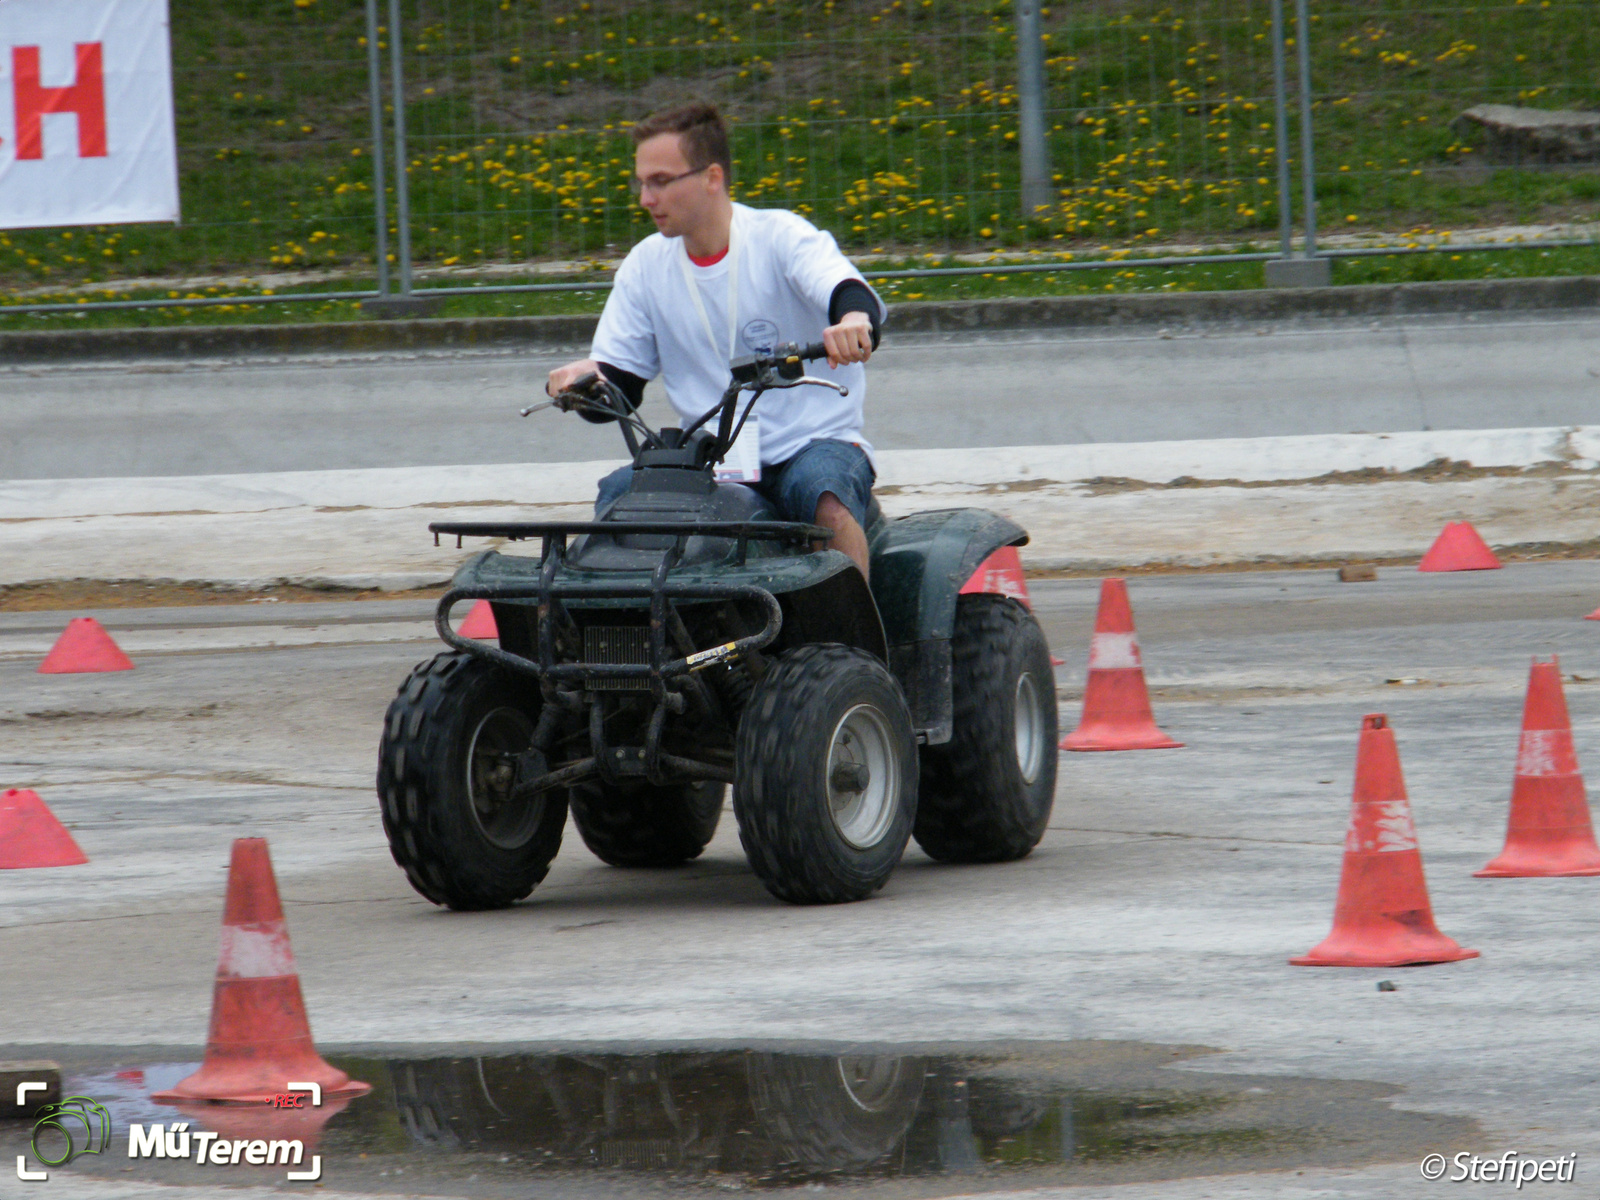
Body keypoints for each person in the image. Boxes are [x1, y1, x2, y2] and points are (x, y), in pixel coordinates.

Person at [545, 101, 886, 580]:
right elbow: (620, 383)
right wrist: (582, 383)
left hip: (811, 441)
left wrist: (852, 320)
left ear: (711, 177)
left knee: (824, 498)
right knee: (616, 503)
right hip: (713, 455)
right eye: (641, 182)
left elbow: (844, 290)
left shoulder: (779, 236)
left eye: (660, 181)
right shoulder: (645, 266)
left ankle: (855, 648)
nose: (645, 197)